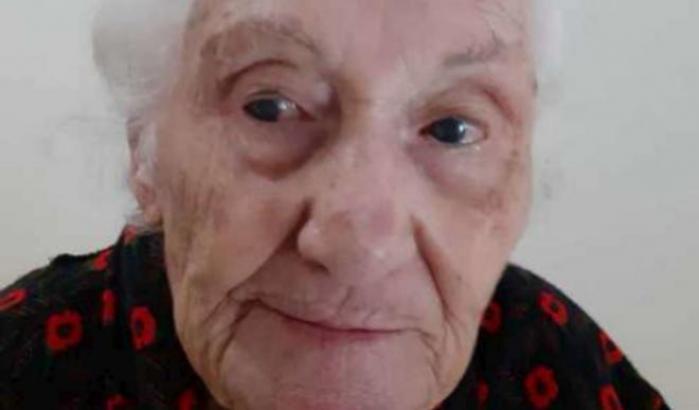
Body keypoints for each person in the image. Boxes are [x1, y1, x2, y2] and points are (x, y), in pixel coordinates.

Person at [0, 0, 670, 409]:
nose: (360, 244)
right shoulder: (24, 360)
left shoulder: (561, 365)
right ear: (145, 153)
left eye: (451, 129)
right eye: (270, 107)